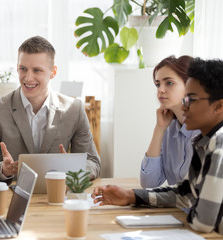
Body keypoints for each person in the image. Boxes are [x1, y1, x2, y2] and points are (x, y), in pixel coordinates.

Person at [92, 58, 223, 235]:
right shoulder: (201, 141)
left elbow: (202, 220)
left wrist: (190, 205)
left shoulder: (218, 145)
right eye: (157, 84)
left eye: (190, 99)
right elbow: (183, 194)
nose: (184, 107)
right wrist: (131, 196)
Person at [0, 36, 101, 183]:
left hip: (55, 196)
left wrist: (71, 168)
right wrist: (3, 169)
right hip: (12, 198)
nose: (28, 78)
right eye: (23, 69)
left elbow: (93, 163)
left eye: (37, 70)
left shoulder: (74, 110)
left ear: (53, 72)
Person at [141, 56, 200, 188]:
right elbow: (149, 183)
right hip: (177, 206)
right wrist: (159, 129)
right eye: (158, 84)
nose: (160, 90)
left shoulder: (207, 130)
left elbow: (196, 189)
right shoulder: (168, 127)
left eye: (169, 83)